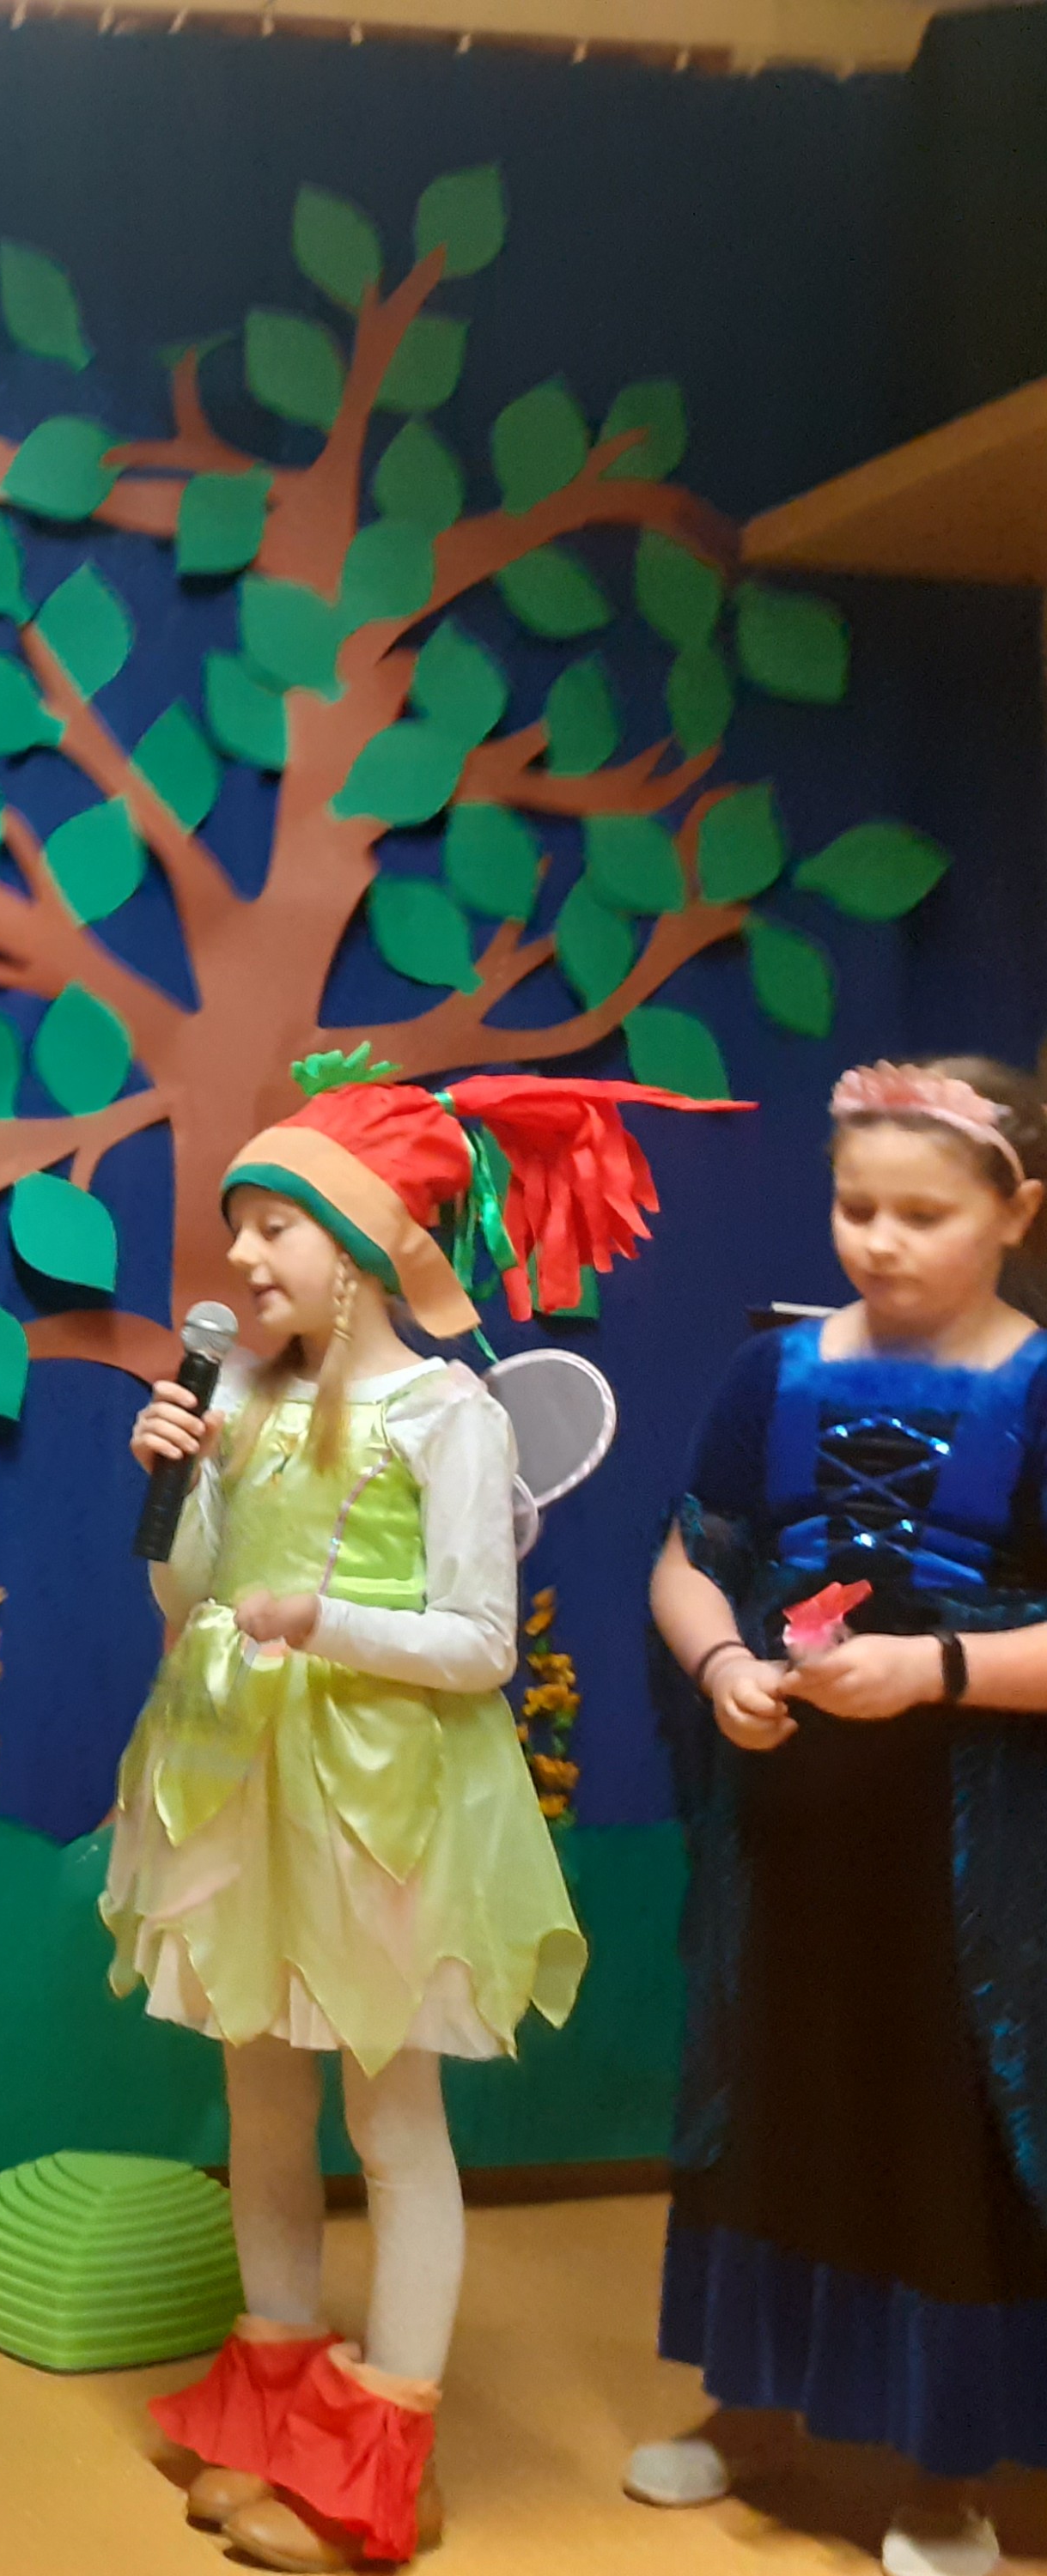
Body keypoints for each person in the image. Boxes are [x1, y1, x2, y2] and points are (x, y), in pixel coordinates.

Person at [119, 1064, 737, 2571]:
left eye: (275, 1225)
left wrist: (322, 1620)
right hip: (237, 1782)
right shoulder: (242, 1395)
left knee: (389, 2122)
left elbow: (480, 1646)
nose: (241, 1256)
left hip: (377, 1804)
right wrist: (178, 1494)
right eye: (239, 1226)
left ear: (361, 1242)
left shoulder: (448, 1414)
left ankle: (386, 2454)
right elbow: (184, 1601)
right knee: (260, 2101)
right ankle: (277, 2398)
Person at [636, 1056, 1047, 2576]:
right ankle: (753, 2410)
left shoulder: (1044, 1390)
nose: (878, 1239)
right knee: (775, 2106)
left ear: (1017, 1214)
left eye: (922, 1214)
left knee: (945, 2138)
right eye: (855, 1206)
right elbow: (689, 1561)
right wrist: (724, 1663)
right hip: (791, 1838)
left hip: (973, 1862)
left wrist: (939, 1668)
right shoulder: (773, 1376)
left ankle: (945, 2476)